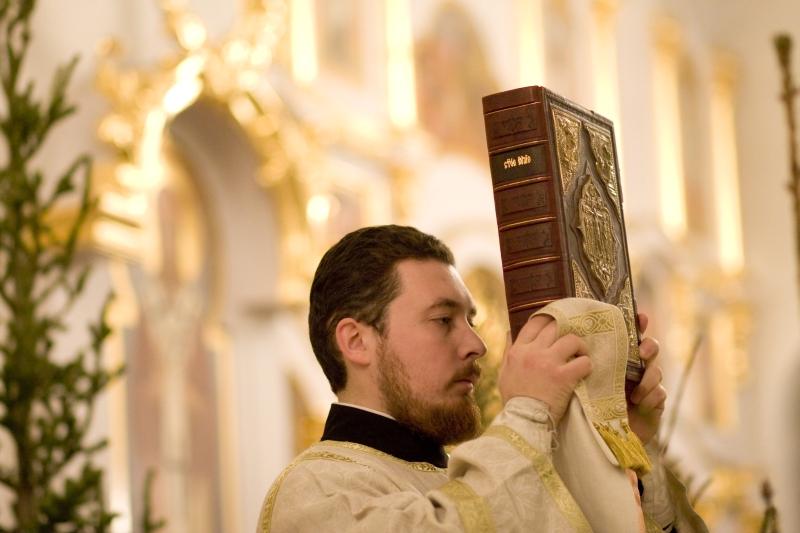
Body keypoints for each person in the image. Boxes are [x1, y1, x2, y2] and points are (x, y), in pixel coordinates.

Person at [258, 224, 704, 532]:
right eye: (443, 320)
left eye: (470, 320)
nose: (476, 344)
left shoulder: (482, 478)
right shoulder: (315, 491)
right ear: (356, 341)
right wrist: (529, 412)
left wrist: (626, 448)